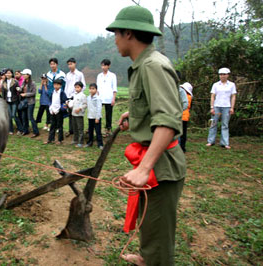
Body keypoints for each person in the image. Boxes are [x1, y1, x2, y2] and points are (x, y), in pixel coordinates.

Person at [106, 5, 186, 265]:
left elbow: (169, 120)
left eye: (116, 33)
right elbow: (157, 108)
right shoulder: (144, 65)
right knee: (150, 221)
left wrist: (144, 168)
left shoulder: (152, 66)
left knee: (158, 226)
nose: (115, 39)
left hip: (161, 166)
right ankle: (148, 257)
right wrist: (136, 116)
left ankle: (156, 260)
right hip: (155, 162)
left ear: (128, 33)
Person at [206, 67, 236, 149]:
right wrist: (212, 107)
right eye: (221, 74)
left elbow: (233, 96)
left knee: (225, 124)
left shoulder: (232, 85)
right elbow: (212, 96)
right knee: (213, 123)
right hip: (216, 106)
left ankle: (225, 142)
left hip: (226, 106)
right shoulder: (215, 85)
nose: (222, 76)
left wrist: (232, 107)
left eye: (224, 74)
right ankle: (210, 141)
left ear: (227, 75)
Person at [64, 57, 86, 137]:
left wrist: (78, 94)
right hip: (69, 97)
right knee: (70, 114)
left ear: (75, 63)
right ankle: (71, 130)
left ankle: (78, 132)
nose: (70, 66)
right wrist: (66, 97)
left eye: (71, 64)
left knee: (77, 114)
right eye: (68, 64)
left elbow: (83, 86)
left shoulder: (79, 74)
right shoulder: (67, 75)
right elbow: (66, 86)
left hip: (76, 97)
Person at [96, 59, 117, 137]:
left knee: (108, 115)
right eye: (102, 65)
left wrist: (113, 98)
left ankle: (108, 129)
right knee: (98, 113)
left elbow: (114, 88)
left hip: (109, 97)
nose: (103, 67)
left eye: (105, 65)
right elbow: (97, 88)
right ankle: (98, 128)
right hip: (100, 98)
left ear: (108, 66)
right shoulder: (99, 76)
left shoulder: (112, 75)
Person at [45, 79, 67, 145]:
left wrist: (60, 109)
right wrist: (51, 108)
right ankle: (50, 139)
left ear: (60, 85)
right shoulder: (53, 92)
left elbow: (64, 102)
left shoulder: (62, 93)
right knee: (52, 125)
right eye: (54, 84)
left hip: (59, 111)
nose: (56, 86)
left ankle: (60, 140)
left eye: (57, 85)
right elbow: (51, 101)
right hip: (53, 111)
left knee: (59, 126)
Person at [20, 69, 39, 137]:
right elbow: (22, 89)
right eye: (23, 74)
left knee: (30, 117)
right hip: (24, 101)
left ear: (28, 75)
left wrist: (25, 94)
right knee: (24, 116)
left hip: (30, 102)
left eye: (24, 74)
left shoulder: (32, 83)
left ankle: (36, 131)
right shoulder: (24, 82)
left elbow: (33, 93)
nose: (23, 75)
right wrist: (19, 89)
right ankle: (25, 130)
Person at [2, 69, 22, 135]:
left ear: (12, 74)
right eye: (7, 73)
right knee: (9, 116)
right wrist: (4, 100)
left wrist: (19, 89)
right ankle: (11, 130)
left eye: (9, 73)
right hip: (7, 100)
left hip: (14, 100)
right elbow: (3, 92)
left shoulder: (15, 81)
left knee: (14, 115)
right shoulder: (4, 82)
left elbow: (19, 89)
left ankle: (20, 129)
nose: (8, 74)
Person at [69, 81, 87, 147]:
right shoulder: (74, 95)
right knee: (75, 128)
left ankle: (80, 142)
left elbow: (85, 105)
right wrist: (69, 104)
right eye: (75, 87)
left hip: (79, 114)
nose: (76, 89)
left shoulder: (83, 96)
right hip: (73, 113)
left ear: (81, 88)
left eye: (78, 87)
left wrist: (80, 108)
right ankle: (75, 140)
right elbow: (73, 103)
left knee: (80, 128)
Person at [86, 83, 103, 149]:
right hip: (90, 117)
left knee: (98, 131)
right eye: (90, 89)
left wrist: (97, 118)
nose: (91, 90)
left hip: (96, 117)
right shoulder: (88, 97)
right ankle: (90, 142)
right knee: (90, 130)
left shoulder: (98, 98)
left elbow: (99, 108)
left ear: (96, 90)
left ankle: (100, 144)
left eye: (93, 89)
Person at [180, 82, 193, 152]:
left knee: (181, 134)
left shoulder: (187, 97)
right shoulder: (189, 97)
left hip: (182, 116)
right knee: (183, 133)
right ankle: (182, 147)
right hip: (185, 117)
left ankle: (182, 147)